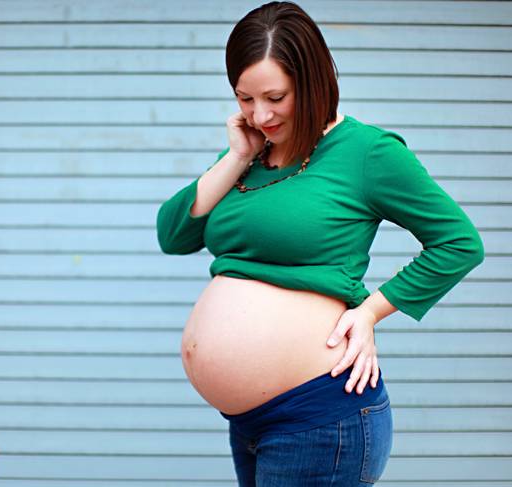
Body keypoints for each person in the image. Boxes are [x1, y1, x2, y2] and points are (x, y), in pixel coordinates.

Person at [155, 2, 485, 486]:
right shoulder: (252, 153)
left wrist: (370, 311)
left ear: (311, 82)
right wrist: (236, 155)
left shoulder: (366, 152)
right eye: (244, 99)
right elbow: (174, 234)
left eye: (275, 97)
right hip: (250, 423)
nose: (260, 115)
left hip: (320, 417)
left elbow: (458, 243)